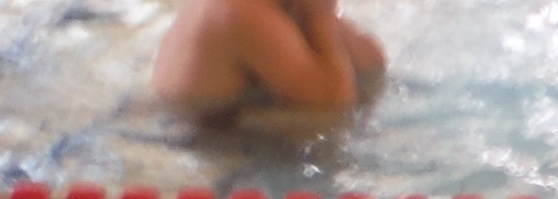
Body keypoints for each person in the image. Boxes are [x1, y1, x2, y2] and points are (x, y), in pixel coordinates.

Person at [151, 0, 385, 119]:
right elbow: (331, 106)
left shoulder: (281, 7)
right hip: (210, 147)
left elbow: (373, 64)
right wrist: (320, 18)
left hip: (236, 127)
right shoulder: (240, 10)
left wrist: (322, 14)